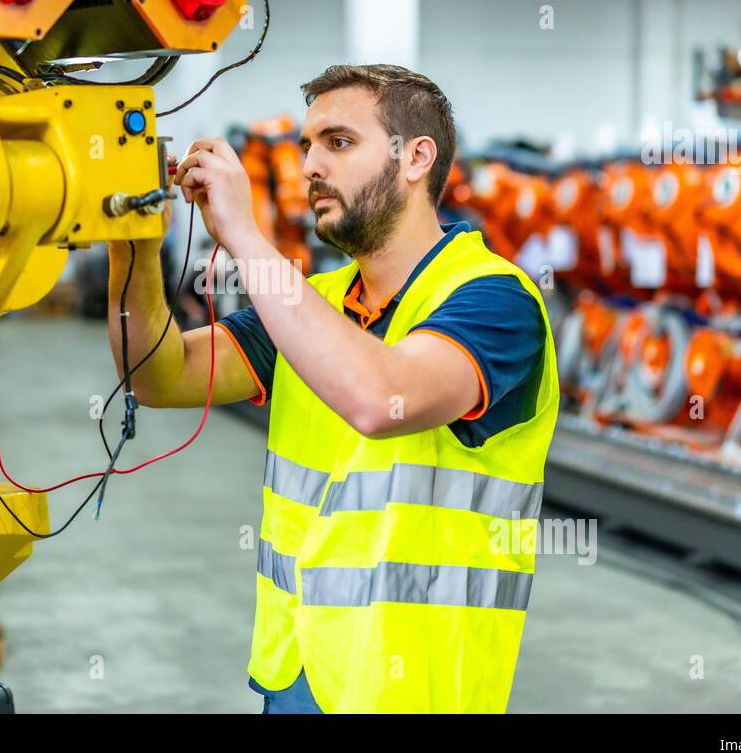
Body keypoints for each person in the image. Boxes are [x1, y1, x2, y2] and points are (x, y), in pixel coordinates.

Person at [105, 64, 557, 713]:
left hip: (415, 691)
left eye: (338, 143)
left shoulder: (494, 300)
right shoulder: (312, 304)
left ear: (416, 158)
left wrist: (244, 236)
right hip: (298, 675)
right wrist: (133, 248)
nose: (310, 166)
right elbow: (158, 373)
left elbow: (380, 399)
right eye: (306, 147)